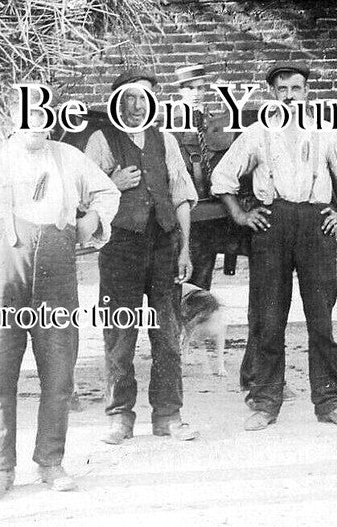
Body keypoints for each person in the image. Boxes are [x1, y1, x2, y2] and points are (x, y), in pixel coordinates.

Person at [0, 91, 120, 501]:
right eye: (26, 114)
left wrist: (92, 217)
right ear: (11, 119)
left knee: (59, 372)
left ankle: (51, 461)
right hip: (6, 273)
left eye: (42, 114)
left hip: (57, 275)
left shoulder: (68, 158)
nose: (35, 121)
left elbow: (109, 193)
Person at [210, 63, 337, 430]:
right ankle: (266, 403)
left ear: (306, 93)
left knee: (321, 317)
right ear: (272, 92)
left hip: (316, 225)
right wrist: (240, 215)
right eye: (282, 88)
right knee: (269, 317)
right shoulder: (256, 134)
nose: (289, 95)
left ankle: (329, 402)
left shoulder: (325, 133)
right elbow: (221, 177)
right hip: (273, 224)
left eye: (296, 88)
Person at [82, 68, 199, 444]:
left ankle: (168, 414)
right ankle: (120, 416)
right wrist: (111, 185)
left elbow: (181, 197)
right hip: (121, 248)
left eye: (144, 97)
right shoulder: (101, 140)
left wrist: (184, 248)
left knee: (167, 333)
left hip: (164, 245)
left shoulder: (165, 142)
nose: (136, 105)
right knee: (120, 333)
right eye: (129, 97)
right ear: (117, 101)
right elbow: (83, 198)